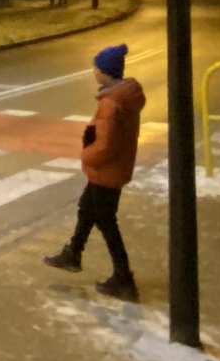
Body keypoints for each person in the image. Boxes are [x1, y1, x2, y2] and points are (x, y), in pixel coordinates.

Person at [44, 43, 145, 301]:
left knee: (106, 222)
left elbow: (106, 146)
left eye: (96, 68)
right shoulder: (119, 97)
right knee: (87, 207)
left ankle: (124, 278)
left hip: (108, 170)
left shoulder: (112, 103)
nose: (94, 72)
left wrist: (86, 154)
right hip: (114, 168)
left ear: (106, 72)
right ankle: (73, 253)